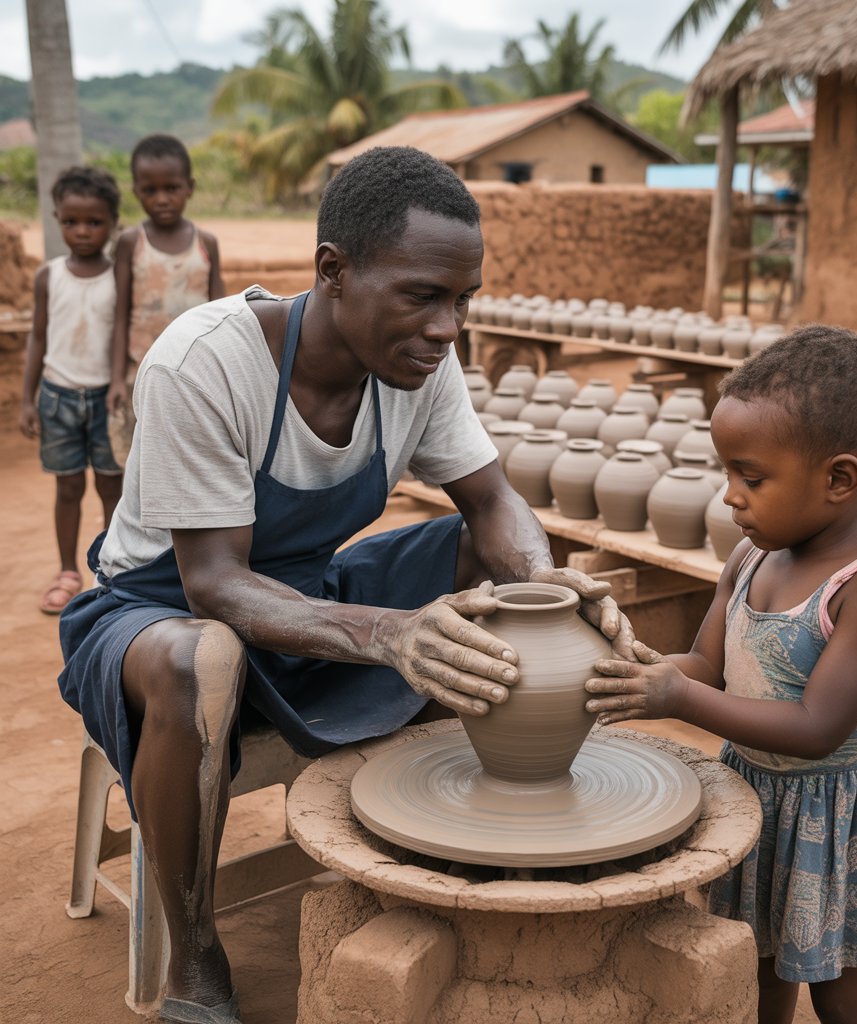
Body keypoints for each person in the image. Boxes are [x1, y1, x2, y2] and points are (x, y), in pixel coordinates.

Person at [58, 146, 630, 1024]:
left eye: (462, 300)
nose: (448, 327)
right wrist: (391, 634)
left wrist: (553, 589)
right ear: (334, 271)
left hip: (307, 593)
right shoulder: (205, 363)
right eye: (422, 294)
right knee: (197, 659)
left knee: (489, 572)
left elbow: (493, 500)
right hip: (156, 608)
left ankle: (470, 837)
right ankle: (195, 944)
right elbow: (213, 585)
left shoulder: (420, 368)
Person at [585, 326, 857, 1024]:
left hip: (843, 814)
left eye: (752, 477)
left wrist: (674, 696)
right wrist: (631, 670)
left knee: (844, 992)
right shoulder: (751, 558)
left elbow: (816, 729)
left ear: (840, 479)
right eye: (727, 474)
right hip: (757, 797)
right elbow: (707, 666)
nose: (730, 497)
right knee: (756, 967)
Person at [20, 166, 124, 614]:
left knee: (112, 488)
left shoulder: (120, 276)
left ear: (113, 223)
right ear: (57, 218)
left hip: (107, 397)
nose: (82, 231)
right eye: (71, 221)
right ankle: (67, 571)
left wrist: (119, 383)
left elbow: (121, 333)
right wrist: (27, 398)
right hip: (57, 396)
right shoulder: (49, 276)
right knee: (67, 489)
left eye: (94, 222)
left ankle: (116, 571)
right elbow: (38, 338)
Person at [107, 133, 225, 467]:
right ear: (136, 192)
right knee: (138, 464)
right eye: (150, 190)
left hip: (195, 375)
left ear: (190, 187)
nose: (161, 199)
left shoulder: (206, 243)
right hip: (139, 372)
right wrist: (116, 379)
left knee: (187, 461)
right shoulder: (132, 242)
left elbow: (221, 316)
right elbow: (120, 314)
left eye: (171, 189)